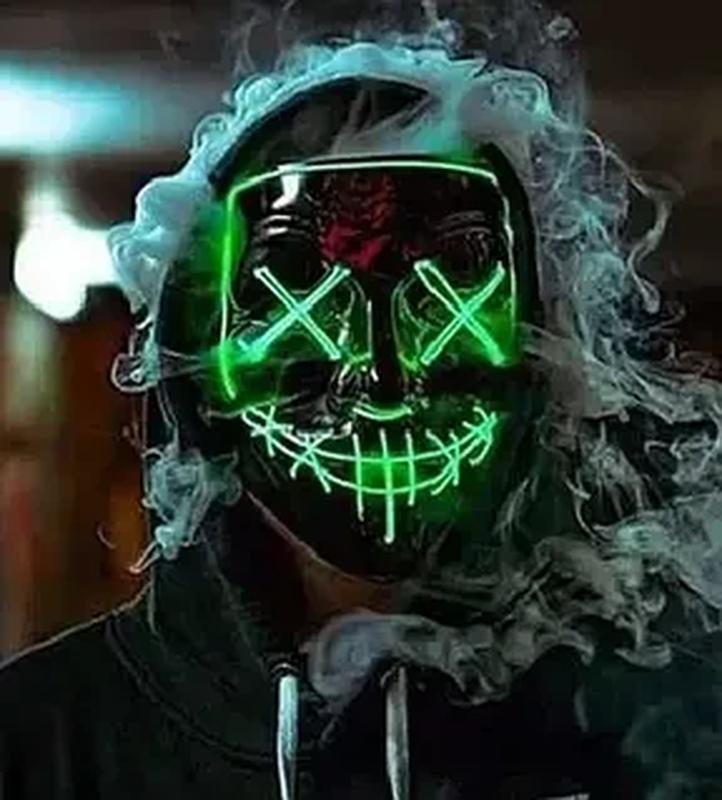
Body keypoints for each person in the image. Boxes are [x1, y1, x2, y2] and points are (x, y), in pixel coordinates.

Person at [3, 5, 722, 798]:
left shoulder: (664, 733)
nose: (381, 381)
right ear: (200, 376)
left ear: (539, 358)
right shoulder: (36, 746)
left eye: (447, 291)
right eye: (303, 293)